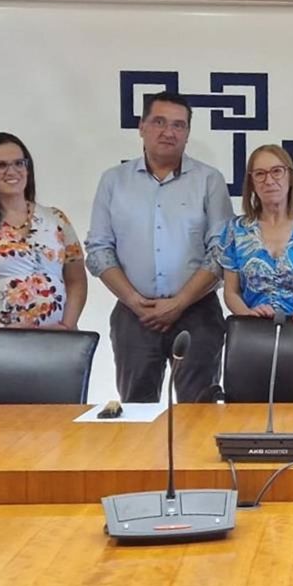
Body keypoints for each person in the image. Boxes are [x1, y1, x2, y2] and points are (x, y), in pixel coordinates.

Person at [85, 92, 231, 403]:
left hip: (197, 313)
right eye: (159, 122)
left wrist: (180, 302)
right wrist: (135, 301)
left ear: (188, 133)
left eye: (179, 125)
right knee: (137, 414)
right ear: (141, 126)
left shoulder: (209, 180)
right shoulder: (114, 181)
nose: (169, 132)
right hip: (133, 315)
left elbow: (222, 251)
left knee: (199, 412)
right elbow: (98, 250)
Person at [0, 133, 87, 330]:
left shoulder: (56, 219)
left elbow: (76, 279)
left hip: (56, 339)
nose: (12, 171)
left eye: (19, 163)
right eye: (1, 165)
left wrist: (67, 326)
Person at [218, 144, 293, 321]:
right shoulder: (236, 229)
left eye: (276, 171)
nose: (269, 181)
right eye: (260, 174)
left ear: (290, 177)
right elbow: (231, 291)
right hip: (253, 334)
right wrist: (248, 315)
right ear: (252, 183)